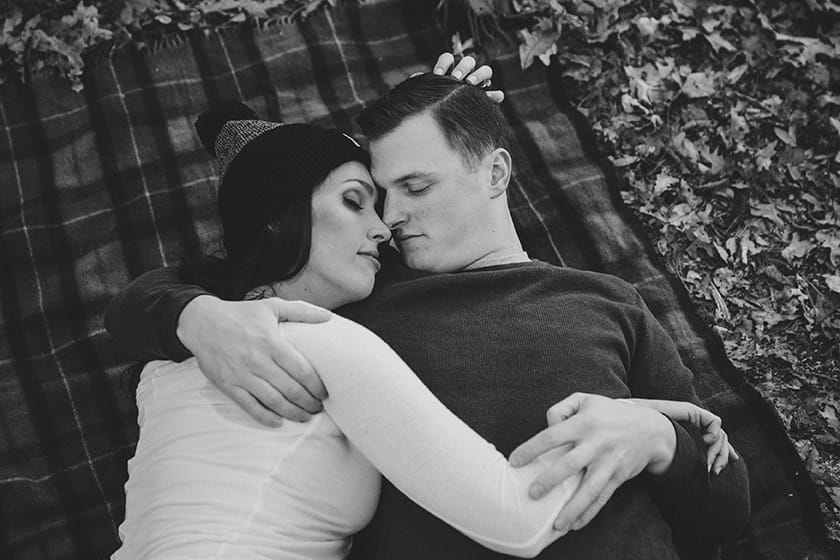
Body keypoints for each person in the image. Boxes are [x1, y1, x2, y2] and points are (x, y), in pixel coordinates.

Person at [106, 56, 750, 559]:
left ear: (495, 175)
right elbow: (151, 300)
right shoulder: (351, 300)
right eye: (376, 195)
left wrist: (657, 437)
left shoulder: (607, 301)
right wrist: (196, 316)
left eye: (415, 187)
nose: (391, 218)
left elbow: (728, 507)